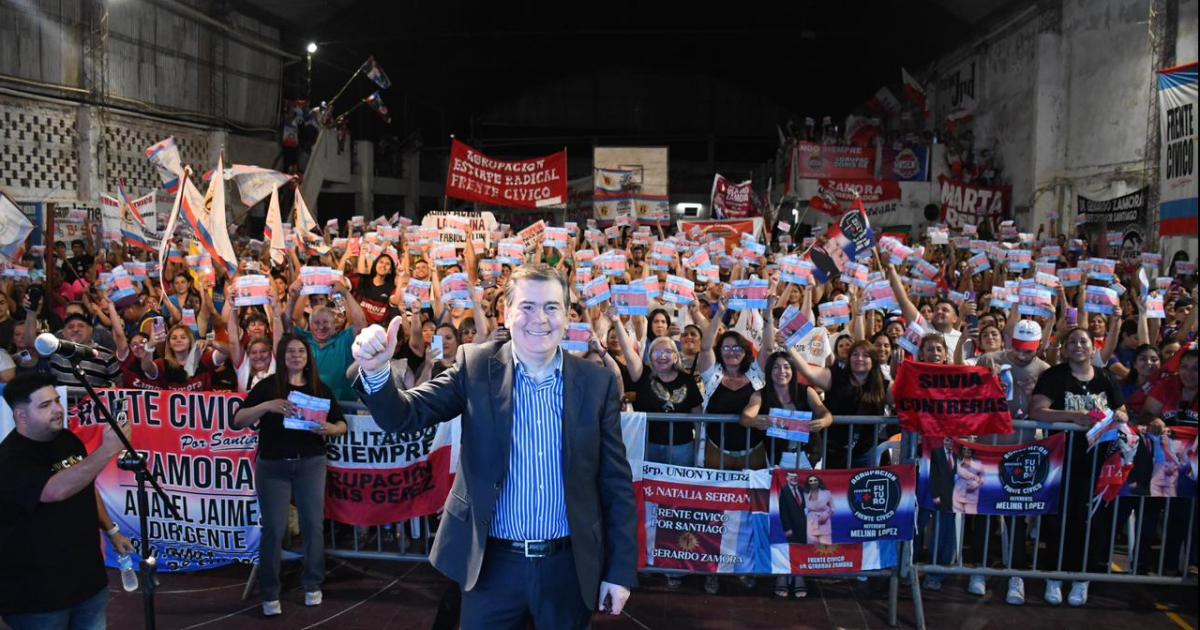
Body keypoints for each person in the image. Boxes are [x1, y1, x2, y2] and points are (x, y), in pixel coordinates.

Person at [350, 264, 636, 629]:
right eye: (527, 306)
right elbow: (404, 416)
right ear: (507, 312)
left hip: (568, 566)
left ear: (567, 315)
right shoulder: (474, 365)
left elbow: (616, 484)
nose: (540, 319)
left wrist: (620, 570)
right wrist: (376, 371)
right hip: (491, 566)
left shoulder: (598, 383)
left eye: (551, 307)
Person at [0, 372, 134, 628]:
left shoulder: (67, 439)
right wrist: (107, 450)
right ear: (21, 415)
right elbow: (54, 490)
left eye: (56, 401)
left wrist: (112, 530)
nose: (57, 410)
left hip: (88, 584)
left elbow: (84, 485)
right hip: (38, 598)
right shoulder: (10, 459)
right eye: (45, 405)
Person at [233, 334, 348, 617]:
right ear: (282, 356)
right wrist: (267, 406)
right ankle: (270, 591)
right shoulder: (267, 386)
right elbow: (236, 421)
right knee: (273, 528)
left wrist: (332, 430)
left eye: (301, 351)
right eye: (291, 351)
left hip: (311, 463)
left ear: (308, 357)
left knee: (312, 526)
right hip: (273, 466)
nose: (296, 355)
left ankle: (312, 583)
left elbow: (341, 422)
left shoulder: (320, 389)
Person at [1029, 327, 1129, 607]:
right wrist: (1076, 416)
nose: (1077, 345)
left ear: (1092, 347)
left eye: (1082, 341)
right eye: (1071, 341)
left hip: (1098, 462)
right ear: (1063, 348)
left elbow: (1122, 411)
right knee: (1058, 519)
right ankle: (1054, 576)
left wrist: (1118, 414)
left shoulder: (1106, 377)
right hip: (1062, 459)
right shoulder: (1054, 376)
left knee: (1090, 520)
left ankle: (1082, 578)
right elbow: (1037, 410)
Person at [803, 474, 833, 545]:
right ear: (808, 483)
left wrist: (826, 515)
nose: (813, 482)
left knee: (825, 547)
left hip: (824, 522)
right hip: (811, 523)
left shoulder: (827, 493)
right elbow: (804, 508)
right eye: (811, 481)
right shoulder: (805, 494)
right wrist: (807, 515)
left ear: (818, 481)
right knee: (811, 547)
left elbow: (833, 508)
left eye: (815, 480)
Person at [952, 446, 983, 514]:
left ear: (972, 451)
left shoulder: (978, 464)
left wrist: (976, 485)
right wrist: (976, 478)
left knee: (971, 517)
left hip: (972, 496)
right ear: (962, 451)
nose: (967, 451)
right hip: (958, 495)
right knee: (956, 515)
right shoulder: (957, 463)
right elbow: (957, 474)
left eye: (969, 449)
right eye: (964, 449)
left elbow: (983, 479)